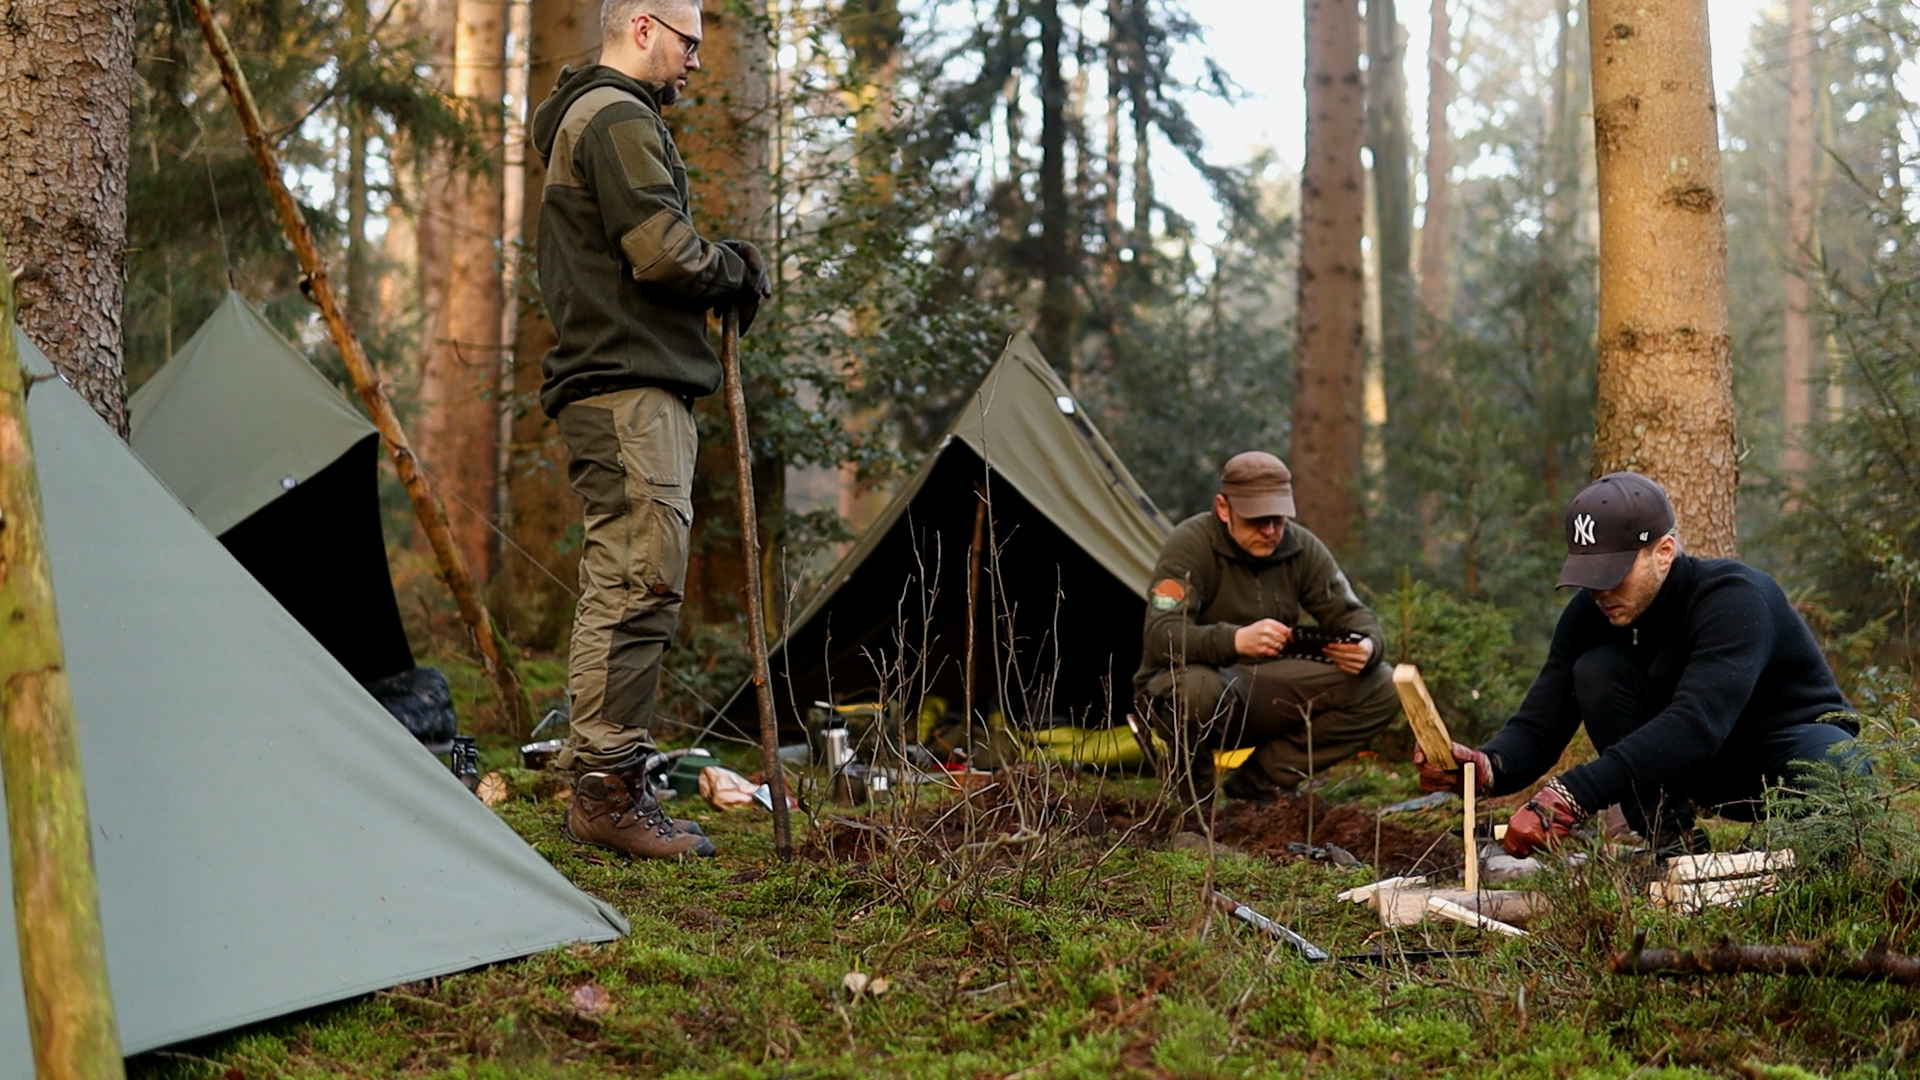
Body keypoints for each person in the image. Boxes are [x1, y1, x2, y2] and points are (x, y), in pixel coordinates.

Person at [530, 0, 772, 859]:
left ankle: (612, 777)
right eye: (688, 42)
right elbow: (662, 252)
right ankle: (604, 792)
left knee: (637, 573)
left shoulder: (595, 115)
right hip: (626, 385)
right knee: (637, 578)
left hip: (630, 383)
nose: (697, 62)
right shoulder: (617, 115)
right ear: (642, 27)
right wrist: (730, 270)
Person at [1417, 472, 1860, 857]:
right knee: (1595, 671)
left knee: (1833, 758)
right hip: (1701, 768)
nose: (1599, 592)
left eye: (1613, 574)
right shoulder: (1591, 613)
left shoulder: (1733, 598)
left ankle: (1798, 857)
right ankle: (1671, 844)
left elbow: (1695, 723)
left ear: (1664, 552)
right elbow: (1539, 724)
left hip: (1788, 758)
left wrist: (1573, 794)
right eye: (1589, 576)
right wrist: (1483, 767)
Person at [1134, 451, 1400, 812]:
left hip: (1263, 686)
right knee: (1198, 690)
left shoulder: (1300, 547)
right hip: (1187, 686)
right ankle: (1195, 808)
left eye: (1277, 519)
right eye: (1256, 520)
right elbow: (1160, 636)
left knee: (1382, 684)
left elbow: (1355, 615)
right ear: (1223, 508)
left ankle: (1259, 783)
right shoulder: (1191, 544)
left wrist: (1367, 646)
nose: (1270, 531)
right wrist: (1235, 640)